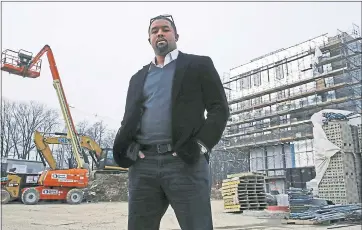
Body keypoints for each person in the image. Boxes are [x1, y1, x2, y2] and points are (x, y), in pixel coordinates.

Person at [113, 14, 229, 230]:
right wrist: (128, 148)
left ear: (176, 35)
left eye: (165, 29)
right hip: (143, 166)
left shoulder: (198, 65)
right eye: (154, 30)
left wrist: (201, 145)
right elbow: (129, 119)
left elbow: (219, 109)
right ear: (149, 40)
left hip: (184, 162)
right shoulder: (137, 78)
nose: (160, 33)